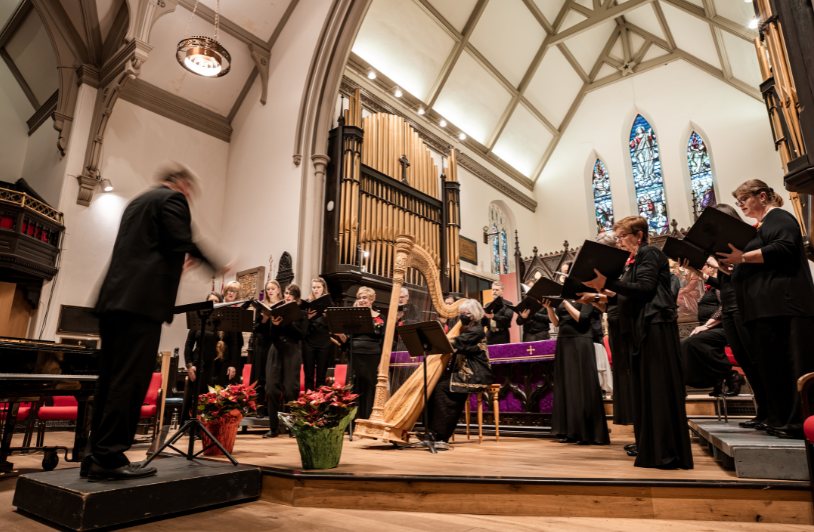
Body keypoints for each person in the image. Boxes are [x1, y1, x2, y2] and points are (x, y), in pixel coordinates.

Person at [87, 162, 222, 480]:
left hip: (115, 302)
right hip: (140, 306)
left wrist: (175, 258)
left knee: (110, 380)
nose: (189, 197)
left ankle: (95, 454)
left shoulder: (137, 203)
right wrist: (213, 263)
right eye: (189, 192)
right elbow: (181, 239)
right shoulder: (171, 199)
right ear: (181, 185)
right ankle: (110, 458)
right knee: (130, 381)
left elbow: (150, 248)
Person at [583, 215, 693, 469]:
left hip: (655, 326)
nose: (619, 242)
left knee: (658, 387)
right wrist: (601, 294)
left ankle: (666, 450)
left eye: (622, 236)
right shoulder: (634, 260)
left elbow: (645, 289)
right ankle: (652, 447)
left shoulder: (649, 253)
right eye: (618, 237)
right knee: (647, 389)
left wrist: (607, 283)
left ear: (639, 235)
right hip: (643, 327)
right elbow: (632, 293)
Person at [718, 180, 814, 439]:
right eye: (738, 201)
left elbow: (784, 248)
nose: (741, 205)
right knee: (774, 368)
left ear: (762, 196)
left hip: (786, 306)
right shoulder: (759, 228)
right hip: (766, 310)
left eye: (744, 200)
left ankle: (797, 422)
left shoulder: (779, 218)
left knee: (792, 366)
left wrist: (742, 258)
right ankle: (778, 418)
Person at [709, 203, 769, 429]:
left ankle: (771, 412)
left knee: (756, 358)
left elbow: (746, 275)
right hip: (728, 307)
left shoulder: (745, 241)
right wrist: (704, 270)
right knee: (745, 359)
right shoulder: (721, 246)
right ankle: (762, 412)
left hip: (743, 305)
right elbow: (725, 282)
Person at [426, 299, 492, 445]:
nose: (462, 316)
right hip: (462, 369)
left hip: (474, 372)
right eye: (461, 313)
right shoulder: (467, 328)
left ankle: (441, 435)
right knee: (434, 389)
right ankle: (432, 431)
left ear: (474, 314)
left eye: (466, 313)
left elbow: (456, 342)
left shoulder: (476, 329)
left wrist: (435, 339)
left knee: (443, 391)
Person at [546, 298, 610, 445]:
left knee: (582, 384)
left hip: (580, 340)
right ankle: (570, 431)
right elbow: (557, 323)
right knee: (567, 386)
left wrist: (566, 303)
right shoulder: (563, 298)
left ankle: (587, 432)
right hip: (564, 341)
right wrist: (548, 308)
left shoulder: (584, 298)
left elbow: (582, 319)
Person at [680, 259, 739, 396]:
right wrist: (693, 269)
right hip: (712, 330)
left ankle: (729, 375)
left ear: (712, 268)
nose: (702, 268)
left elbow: (723, 307)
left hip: (725, 329)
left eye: (705, 265)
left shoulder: (720, 286)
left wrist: (706, 326)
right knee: (685, 343)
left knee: (692, 342)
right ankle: (717, 379)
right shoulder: (710, 287)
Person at [263, 284, 307, 438]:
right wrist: (275, 326)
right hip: (275, 350)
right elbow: (271, 336)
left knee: (290, 389)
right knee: (271, 389)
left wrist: (288, 323)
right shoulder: (277, 311)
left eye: (291, 294)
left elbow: (301, 334)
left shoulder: (301, 313)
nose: (287, 295)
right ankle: (273, 428)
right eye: (286, 293)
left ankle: (292, 428)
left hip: (292, 350)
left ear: (297, 298)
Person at [336, 286, 384, 421]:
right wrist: (340, 335)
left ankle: (367, 419)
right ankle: (353, 420)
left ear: (371, 300)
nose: (362, 300)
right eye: (359, 298)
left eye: (364, 298)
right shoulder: (352, 318)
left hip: (372, 355)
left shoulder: (380, 318)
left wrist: (382, 361)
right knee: (354, 386)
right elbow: (347, 341)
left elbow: (385, 340)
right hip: (355, 354)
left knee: (369, 386)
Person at [251, 280, 283, 417]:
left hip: (276, 344)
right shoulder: (261, 306)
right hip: (262, 344)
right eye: (268, 289)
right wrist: (264, 319)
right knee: (261, 376)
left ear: (278, 290)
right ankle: (260, 407)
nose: (270, 291)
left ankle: (273, 409)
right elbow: (255, 329)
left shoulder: (282, 305)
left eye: (273, 289)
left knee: (274, 377)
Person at [302, 277, 334, 392]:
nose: (316, 289)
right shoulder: (307, 302)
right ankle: (308, 399)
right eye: (314, 287)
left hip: (324, 341)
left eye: (318, 287)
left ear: (323, 288)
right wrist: (307, 317)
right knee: (308, 374)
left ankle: (320, 399)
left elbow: (334, 324)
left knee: (321, 374)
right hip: (309, 341)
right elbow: (302, 324)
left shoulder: (329, 303)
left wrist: (327, 317)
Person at [219, 280, 245, 384]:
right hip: (217, 355)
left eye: (234, 291)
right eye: (229, 290)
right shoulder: (219, 308)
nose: (231, 293)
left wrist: (233, 364)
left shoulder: (237, 312)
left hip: (231, 356)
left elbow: (236, 342)